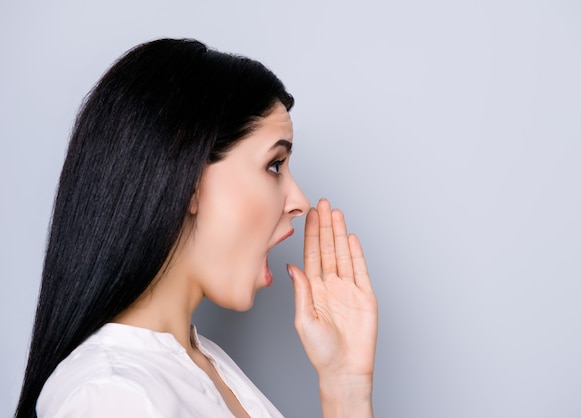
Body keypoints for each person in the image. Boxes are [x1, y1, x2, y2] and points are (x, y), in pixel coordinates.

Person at [15, 38, 378, 418]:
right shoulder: (111, 395)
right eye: (274, 164)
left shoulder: (204, 363)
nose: (299, 200)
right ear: (188, 182)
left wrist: (345, 385)